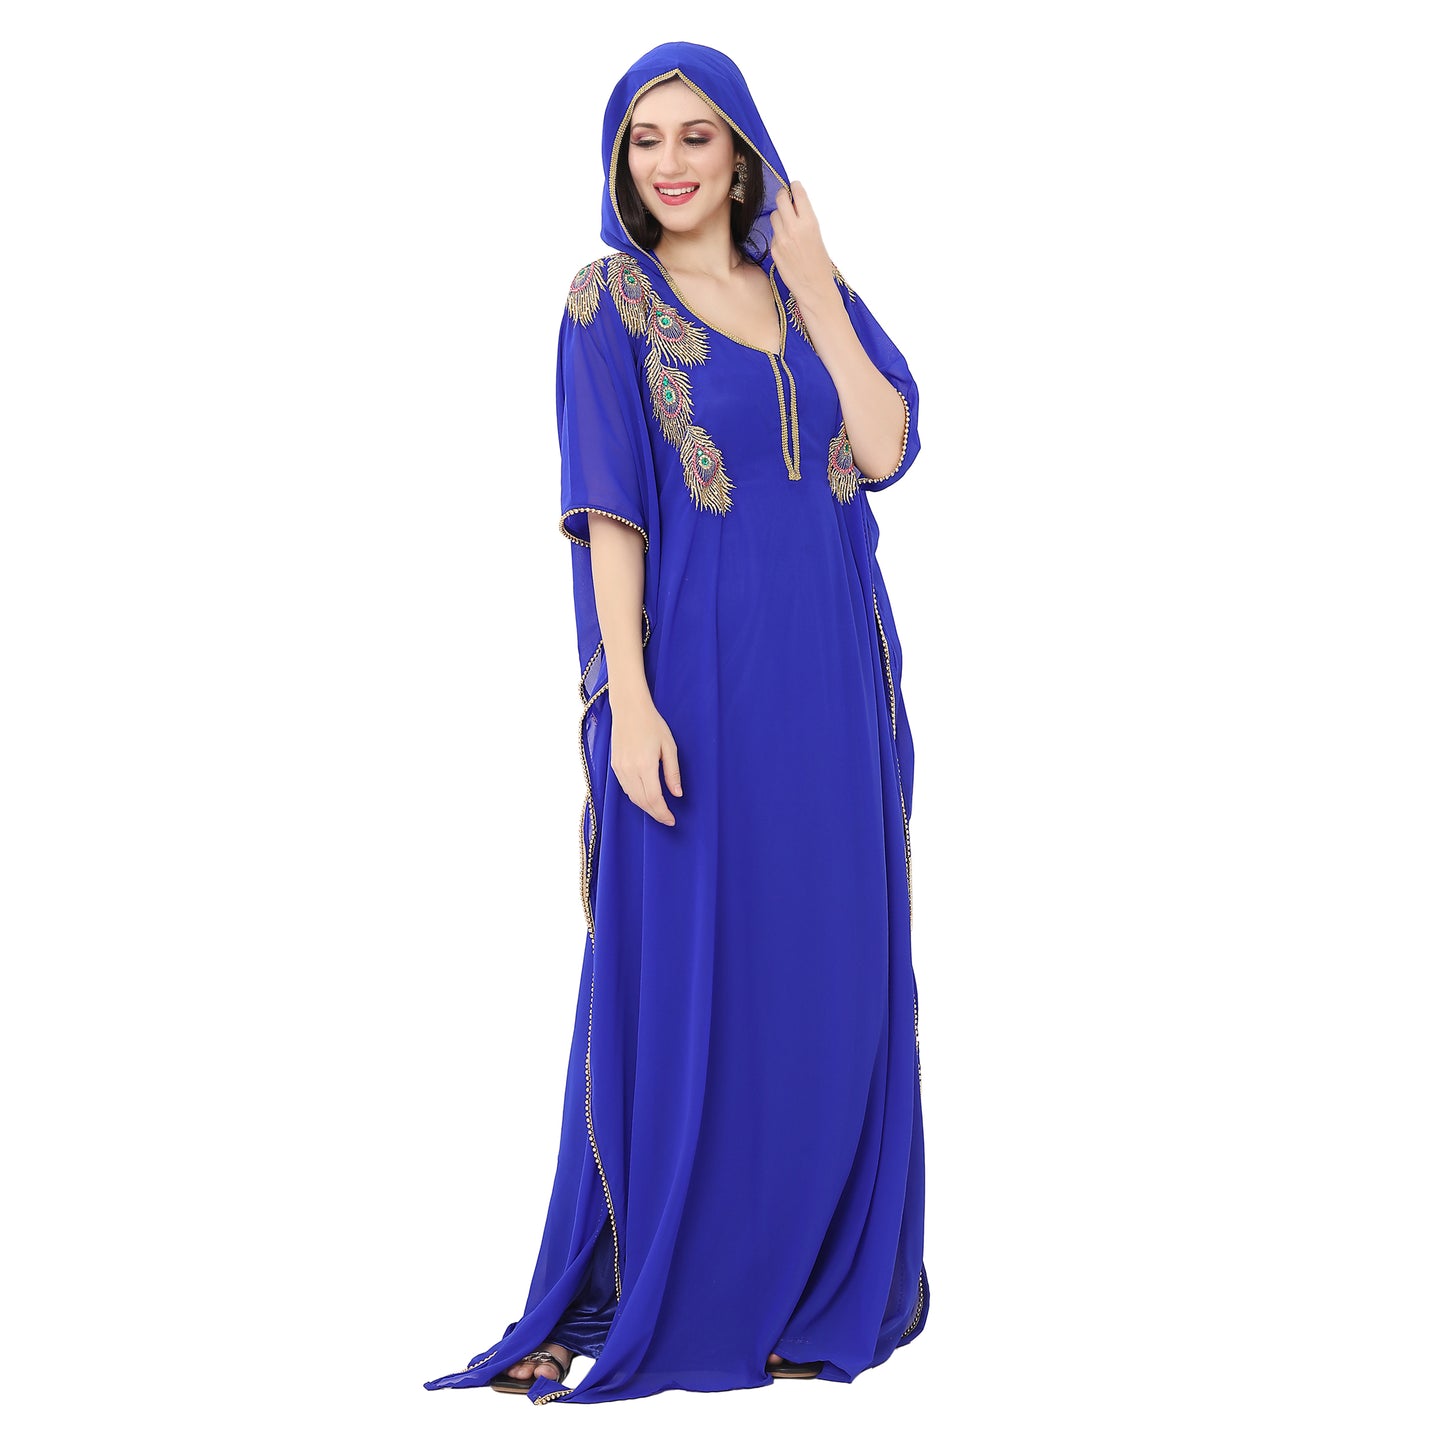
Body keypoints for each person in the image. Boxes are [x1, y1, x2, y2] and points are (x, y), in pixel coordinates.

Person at [422, 40, 928, 1406]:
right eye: (645, 139)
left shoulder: (801, 288)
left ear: (742, 151)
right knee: (687, 972)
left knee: (827, 969)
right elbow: (610, 513)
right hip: (696, 690)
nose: (670, 164)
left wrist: (815, 279)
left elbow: (883, 446)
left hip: (832, 685)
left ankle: (809, 1287)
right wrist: (628, 701)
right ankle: (661, 1282)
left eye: (697, 136)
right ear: (619, 161)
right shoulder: (606, 306)